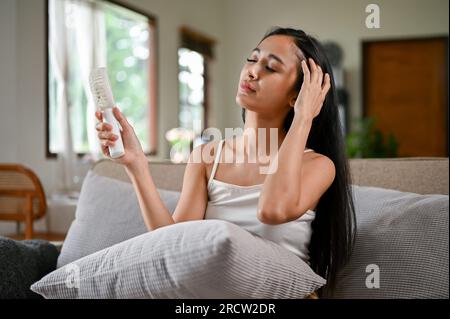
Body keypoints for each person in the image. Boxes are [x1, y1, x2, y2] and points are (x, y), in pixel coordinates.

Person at [95, 27, 356, 297]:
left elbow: (272, 210)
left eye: (271, 67)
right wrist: (137, 166)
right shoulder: (208, 157)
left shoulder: (318, 165)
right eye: (253, 59)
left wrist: (304, 118)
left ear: (297, 96)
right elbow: (174, 244)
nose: (252, 71)